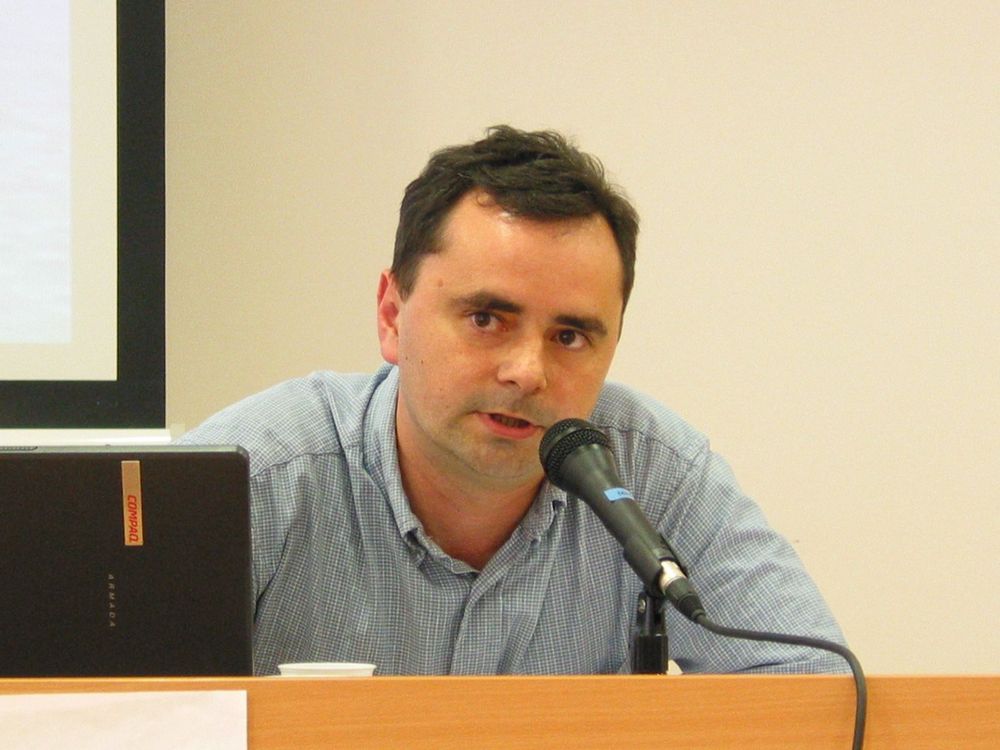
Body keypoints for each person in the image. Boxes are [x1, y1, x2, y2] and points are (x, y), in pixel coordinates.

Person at [179, 125, 847, 676]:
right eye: (486, 319)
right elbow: (122, 714)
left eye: (570, 336)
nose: (528, 373)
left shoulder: (651, 477)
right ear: (392, 315)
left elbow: (816, 702)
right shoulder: (248, 478)